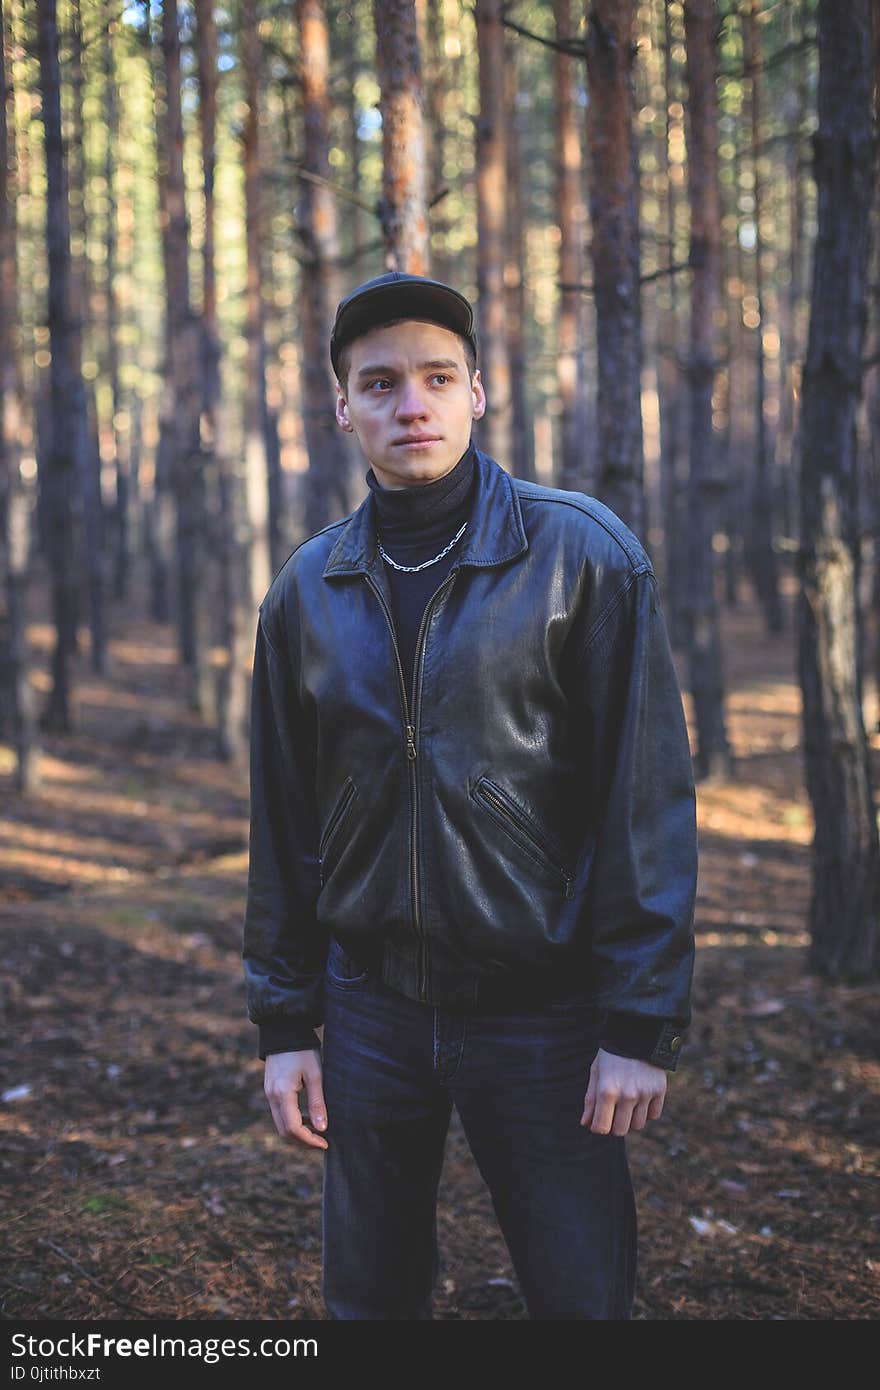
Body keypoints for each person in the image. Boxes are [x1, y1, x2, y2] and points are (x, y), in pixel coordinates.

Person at [242, 270, 697, 1321]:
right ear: (342, 405)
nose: (412, 404)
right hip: (368, 1011)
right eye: (382, 382)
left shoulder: (580, 553)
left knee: (582, 1301)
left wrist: (639, 1018)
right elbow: (285, 822)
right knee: (369, 1301)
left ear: (478, 393)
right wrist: (284, 1022)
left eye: (437, 377)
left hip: (541, 1009)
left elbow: (645, 800)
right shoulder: (307, 590)